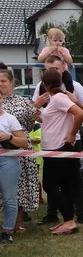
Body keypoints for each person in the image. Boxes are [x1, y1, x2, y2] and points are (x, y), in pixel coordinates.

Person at [32, 44, 83, 225]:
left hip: (62, 145)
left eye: (55, 69)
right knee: (55, 184)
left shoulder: (65, 93)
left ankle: (73, 216)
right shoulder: (48, 94)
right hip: (51, 146)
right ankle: (63, 216)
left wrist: (73, 134)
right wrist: (38, 113)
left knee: (63, 182)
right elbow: (51, 118)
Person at [38, 68, 83, 236]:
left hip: (59, 148)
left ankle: (69, 220)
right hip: (53, 149)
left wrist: (72, 134)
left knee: (50, 185)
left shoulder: (59, 98)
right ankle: (68, 219)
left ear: (45, 85)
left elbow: (79, 113)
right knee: (63, 185)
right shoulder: (54, 100)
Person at [0, 67, 40, 232]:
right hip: (3, 152)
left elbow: (31, 125)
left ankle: (16, 224)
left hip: (19, 147)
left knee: (20, 188)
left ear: (11, 83)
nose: (0, 84)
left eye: (3, 81)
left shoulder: (23, 102)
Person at [0, 95, 29, 244]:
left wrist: (8, 137)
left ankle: (7, 231)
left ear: (1, 100)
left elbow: (23, 142)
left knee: (9, 197)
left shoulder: (10, 119)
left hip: (8, 161)